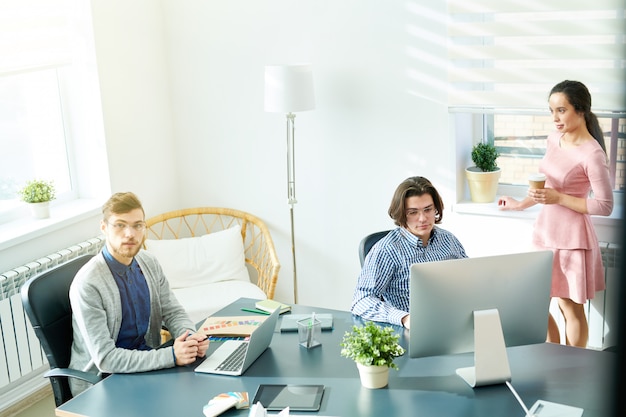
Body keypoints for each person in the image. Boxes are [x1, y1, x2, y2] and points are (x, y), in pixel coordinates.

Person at [498, 80, 613, 347]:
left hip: (573, 240)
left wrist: (560, 198)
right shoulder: (554, 139)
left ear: (581, 110)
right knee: (536, 303)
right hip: (545, 233)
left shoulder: (592, 154)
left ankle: (574, 368)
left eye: (561, 110)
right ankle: (552, 357)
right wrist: (519, 204)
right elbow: (546, 187)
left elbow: (605, 206)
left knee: (569, 308)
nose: (555, 118)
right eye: (551, 111)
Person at [69, 192, 209, 395]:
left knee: (205, 391)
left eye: (137, 225)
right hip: (104, 382)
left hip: (145, 363)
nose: (130, 233)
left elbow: (172, 311)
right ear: (104, 228)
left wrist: (190, 339)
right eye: (120, 225)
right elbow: (106, 359)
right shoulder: (88, 284)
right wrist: (171, 356)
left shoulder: (148, 262)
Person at [350, 176, 467, 328]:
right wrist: (404, 318)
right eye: (413, 212)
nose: (422, 218)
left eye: (428, 209)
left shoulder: (448, 240)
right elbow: (361, 300)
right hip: (412, 332)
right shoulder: (386, 250)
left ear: (436, 208)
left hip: (453, 322)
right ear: (401, 213)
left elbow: (468, 279)